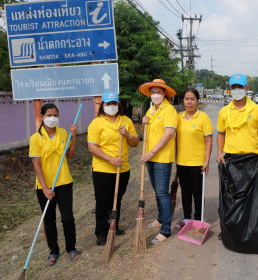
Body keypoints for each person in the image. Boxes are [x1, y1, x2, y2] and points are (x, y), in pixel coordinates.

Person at [29, 103, 81, 267]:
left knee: (67, 218)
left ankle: (71, 248)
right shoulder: (35, 138)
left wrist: (74, 137)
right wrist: (44, 188)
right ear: (42, 117)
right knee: (49, 220)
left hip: (64, 182)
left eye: (55, 115)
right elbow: (36, 165)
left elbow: (70, 155)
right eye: (49, 115)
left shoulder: (63, 133)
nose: (53, 118)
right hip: (45, 187)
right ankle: (53, 251)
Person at [88, 91, 139, 246]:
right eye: (108, 103)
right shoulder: (96, 123)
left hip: (123, 169)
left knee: (117, 199)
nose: (111, 106)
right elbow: (92, 147)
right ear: (103, 105)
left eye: (114, 103)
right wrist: (110, 159)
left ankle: (114, 226)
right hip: (103, 169)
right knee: (103, 202)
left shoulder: (126, 121)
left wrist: (128, 134)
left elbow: (135, 142)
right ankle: (102, 233)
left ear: (119, 105)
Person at [139, 79, 178, 244]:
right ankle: (161, 218)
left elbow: (169, 134)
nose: (155, 94)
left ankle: (166, 230)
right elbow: (146, 133)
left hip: (161, 157)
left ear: (165, 94)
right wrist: (143, 123)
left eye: (159, 92)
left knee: (162, 192)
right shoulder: (150, 109)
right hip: (150, 157)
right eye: (153, 92)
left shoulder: (169, 110)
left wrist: (152, 152)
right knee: (157, 191)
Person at [174, 88, 213, 230]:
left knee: (197, 193)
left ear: (197, 100)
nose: (189, 102)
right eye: (186, 99)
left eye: (192, 99)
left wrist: (207, 161)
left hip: (197, 163)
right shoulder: (178, 117)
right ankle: (187, 219)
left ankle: (198, 220)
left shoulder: (203, 118)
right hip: (182, 162)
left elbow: (208, 141)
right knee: (185, 192)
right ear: (183, 100)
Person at [216, 74, 258, 163]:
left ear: (247, 88)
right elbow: (221, 134)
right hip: (230, 158)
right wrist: (219, 153)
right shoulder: (224, 111)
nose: (237, 90)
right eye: (233, 87)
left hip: (252, 158)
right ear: (230, 89)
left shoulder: (257, 110)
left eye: (240, 87)